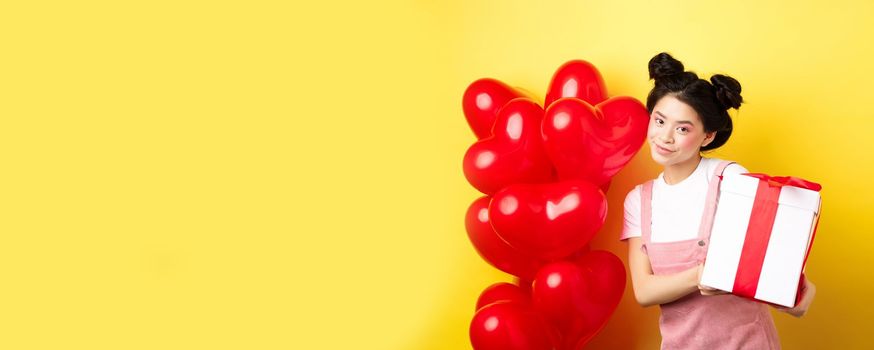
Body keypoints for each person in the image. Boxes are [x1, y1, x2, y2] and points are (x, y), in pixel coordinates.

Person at [619, 52, 816, 349]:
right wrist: (702, 275)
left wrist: (790, 286)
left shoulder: (730, 179)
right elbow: (644, 291)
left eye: (683, 128)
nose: (665, 137)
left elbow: (766, 266)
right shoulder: (639, 200)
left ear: (708, 136)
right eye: (659, 121)